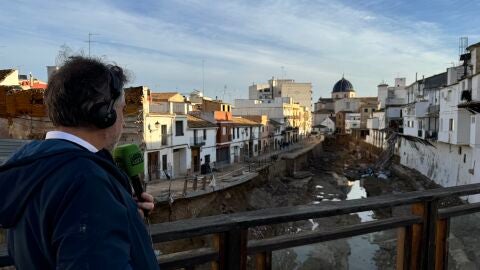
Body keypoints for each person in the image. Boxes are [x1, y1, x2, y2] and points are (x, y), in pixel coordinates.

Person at [0, 57, 159, 269]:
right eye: (122, 109)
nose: (122, 120)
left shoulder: (30, 163)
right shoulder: (87, 183)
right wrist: (102, 203)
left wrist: (125, 212)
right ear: (104, 114)